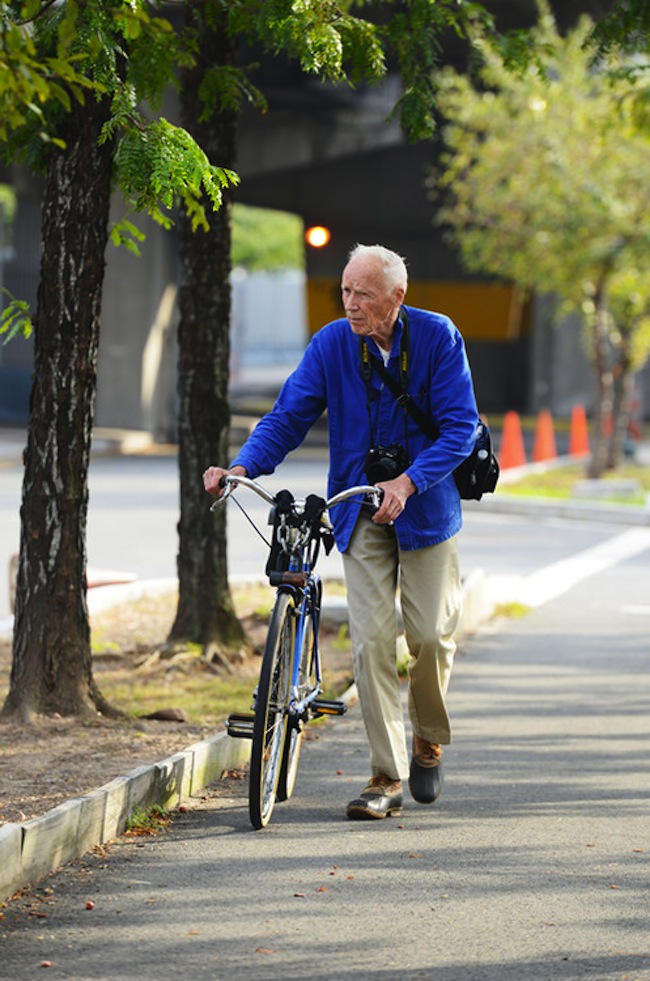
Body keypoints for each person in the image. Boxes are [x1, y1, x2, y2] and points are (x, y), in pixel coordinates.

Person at [203, 244, 479, 820]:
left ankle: (427, 735)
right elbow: (288, 415)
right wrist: (243, 466)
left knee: (429, 636)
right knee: (372, 641)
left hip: (425, 510)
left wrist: (408, 482)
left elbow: (460, 429)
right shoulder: (331, 343)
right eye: (346, 291)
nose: (351, 304)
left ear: (395, 298)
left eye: (363, 295)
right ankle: (385, 775)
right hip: (358, 509)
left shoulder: (437, 337)